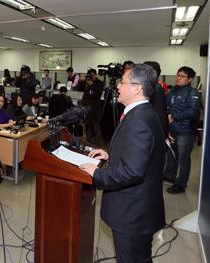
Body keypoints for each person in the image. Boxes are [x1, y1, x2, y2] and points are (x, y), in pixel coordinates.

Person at [79, 63, 166, 263]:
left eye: (122, 82)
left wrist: (96, 173)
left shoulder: (137, 120)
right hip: (140, 209)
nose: (117, 87)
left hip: (132, 214)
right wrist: (110, 155)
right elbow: (143, 153)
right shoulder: (144, 112)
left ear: (137, 88)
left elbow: (133, 171)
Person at [163, 66, 201, 194]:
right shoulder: (173, 90)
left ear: (190, 79)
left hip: (185, 132)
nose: (178, 78)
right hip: (172, 130)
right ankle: (169, 175)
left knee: (183, 159)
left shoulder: (193, 93)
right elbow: (166, 104)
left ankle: (181, 184)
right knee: (172, 155)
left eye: (182, 76)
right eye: (178, 75)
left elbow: (193, 111)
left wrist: (173, 116)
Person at [143, 61, 169, 138]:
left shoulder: (155, 88)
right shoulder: (148, 87)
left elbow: (160, 112)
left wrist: (163, 134)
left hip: (152, 130)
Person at [80, 69, 105, 146]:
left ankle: (98, 144)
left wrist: (91, 84)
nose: (91, 77)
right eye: (89, 75)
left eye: (92, 75)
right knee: (87, 127)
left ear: (96, 75)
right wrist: (82, 81)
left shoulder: (100, 83)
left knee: (96, 127)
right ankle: (88, 143)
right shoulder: (86, 83)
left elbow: (98, 94)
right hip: (86, 108)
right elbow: (79, 89)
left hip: (95, 108)